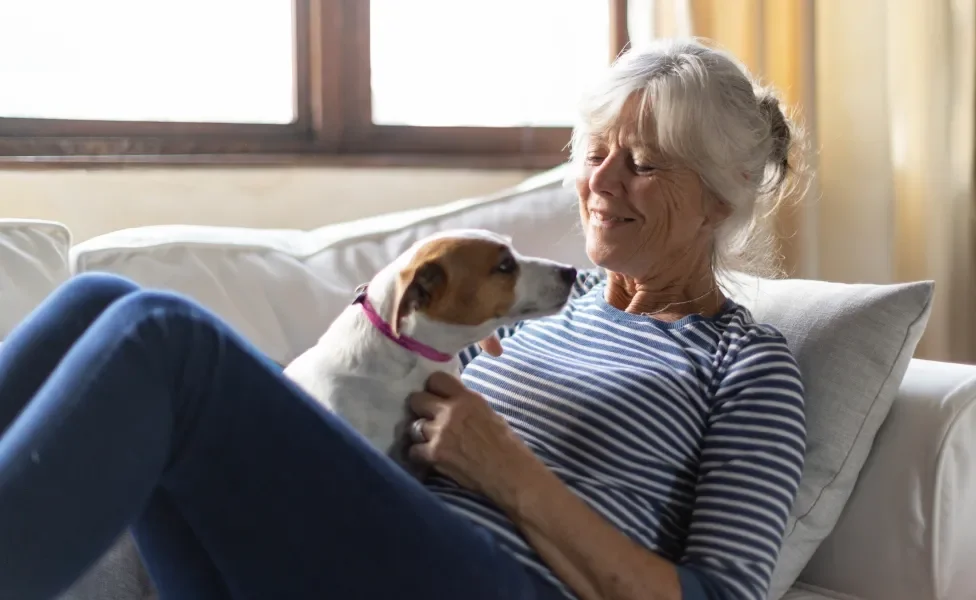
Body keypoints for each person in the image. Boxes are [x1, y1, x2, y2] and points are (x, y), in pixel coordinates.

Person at [0, 38, 806, 600]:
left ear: (718, 197)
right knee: (97, 304)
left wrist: (507, 471)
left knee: (164, 338)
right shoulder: (530, 318)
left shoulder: (746, 366)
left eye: (643, 164)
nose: (601, 182)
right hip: (371, 548)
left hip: (496, 582)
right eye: (595, 150)